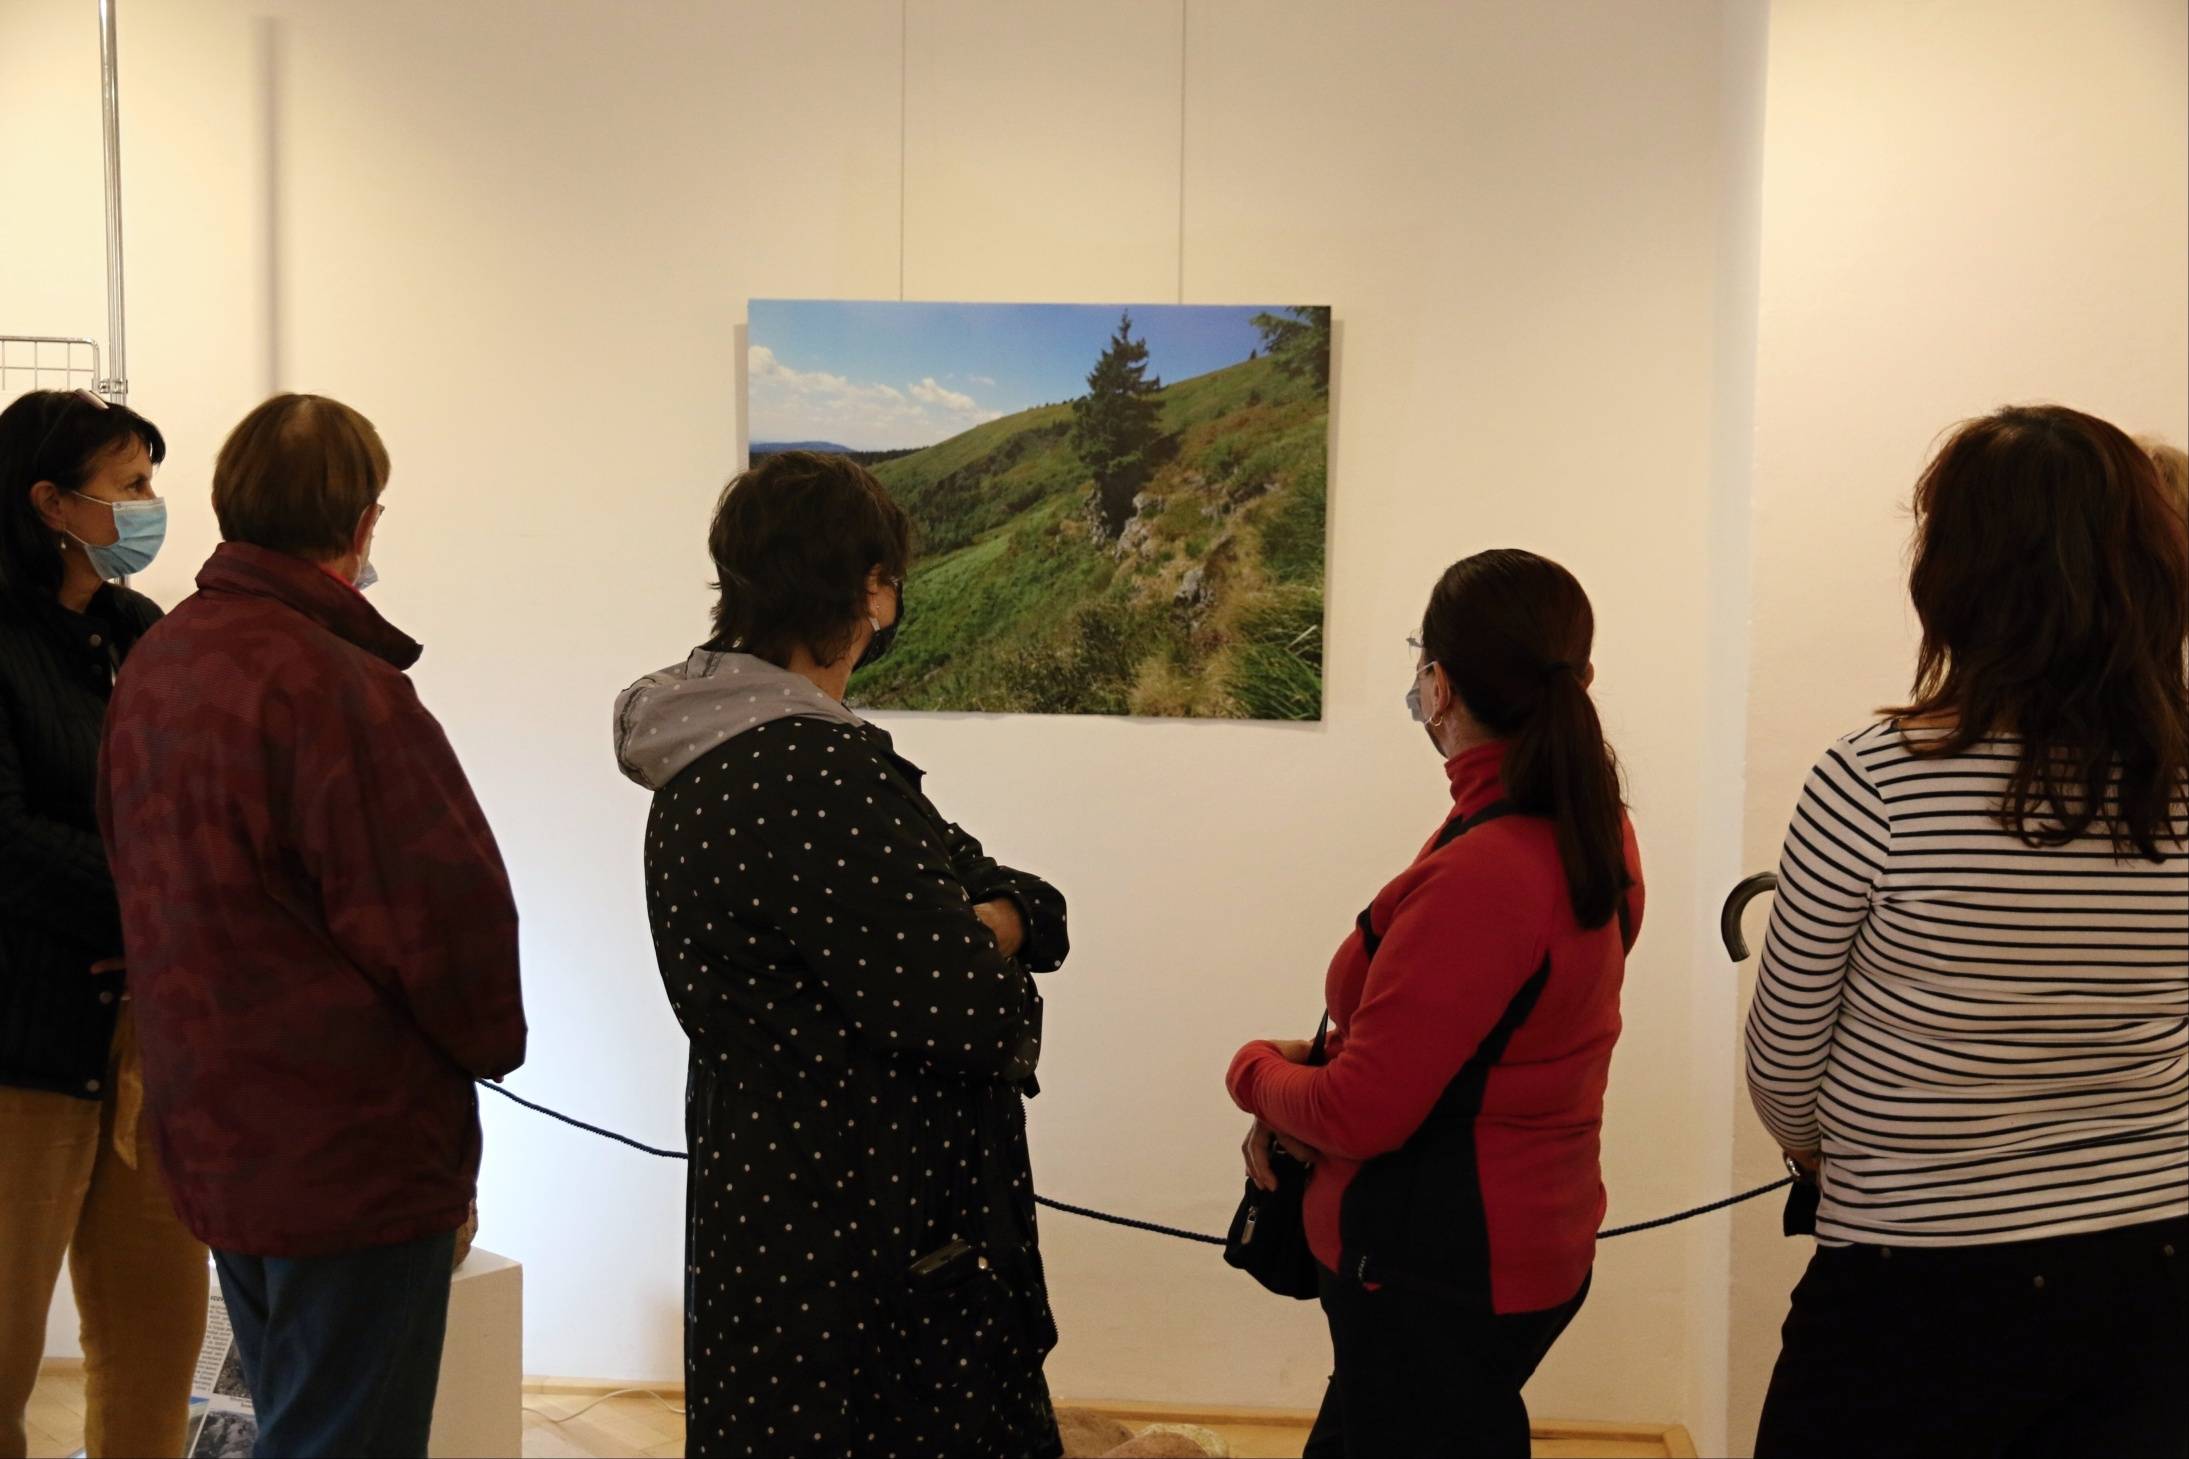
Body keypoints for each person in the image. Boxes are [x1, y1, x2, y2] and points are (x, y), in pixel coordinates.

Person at [1745, 404, 2188, 1458]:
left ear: (1952, 576)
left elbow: (1782, 1059)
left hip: (1913, 1282)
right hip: (2152, 1271)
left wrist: (1827, 1154)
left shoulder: (1873, 780)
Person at [613, 450, 1071, 1459]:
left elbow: (1023, 900)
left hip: (762, 1203)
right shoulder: (817, 770)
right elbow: (974, 1008)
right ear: (871, 591)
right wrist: (995, 923)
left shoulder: (703, 759)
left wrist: (996, 911)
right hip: (867, 1244)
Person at [99, 393, 527, 1458]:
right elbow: (445, 920)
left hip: (216, 1129)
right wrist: (490, 1044)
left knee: (296, 1420)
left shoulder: (159, 663)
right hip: (350, 1154)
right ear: (363, 520)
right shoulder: (341, 687)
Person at [1227, 549, 1643, 1459]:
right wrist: (1321, 1062)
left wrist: (1252, 1073)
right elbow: (1494, 1033)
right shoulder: (1589, 826)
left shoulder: (1487, 870)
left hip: (1432, 1268)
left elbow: (1362, 1112)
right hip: (1514, 1244)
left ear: (1439, 686)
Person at [0, 389, 206, 1459]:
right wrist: (154, 905)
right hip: (22, 1051)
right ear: (51, 503)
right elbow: (7, 840)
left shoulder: (143, 632)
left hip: (146, 1050)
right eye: (131, 485)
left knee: (154, 1357)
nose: (150, 505)